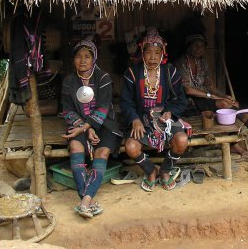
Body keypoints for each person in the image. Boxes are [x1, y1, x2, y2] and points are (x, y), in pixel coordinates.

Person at [177, 33, 248, 161]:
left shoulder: (202, 63)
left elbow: (210, 86)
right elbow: (187, 90)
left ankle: (234, 144)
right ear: (188, 46)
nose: (199, 49)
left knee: (234, 104)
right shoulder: (181, 63)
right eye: (196, 45)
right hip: (189, 103)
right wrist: (213, 97)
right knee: (225, 105)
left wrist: (224, 95)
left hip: (205, 99)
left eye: (202, 46)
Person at [121, 29, 190, 191]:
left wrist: (170, 112)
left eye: (157, 53)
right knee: (131, 147)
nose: (153, 57)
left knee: (182, 141)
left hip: (164, 121)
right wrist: (134, 119)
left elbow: (181, 99)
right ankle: (151, 171)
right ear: (142, 52)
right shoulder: (132, 72)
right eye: (149, 52)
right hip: (142, 120)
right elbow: (125, 102)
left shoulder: (170, 72)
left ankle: (165, 171)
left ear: (162, 54)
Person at [62, 39, 122, 218]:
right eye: (78, 56)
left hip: (105, 124)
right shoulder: (69, 81)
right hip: (79, 124)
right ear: (73, 60)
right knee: (75, 147)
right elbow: (67, 110)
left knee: (102, 153)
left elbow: (103, 108)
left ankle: (85, 201)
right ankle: (87, 200)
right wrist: (85, 128)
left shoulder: (103, 78)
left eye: (87, 56)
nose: (82, 60)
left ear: (94, 58)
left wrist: (89, 126)